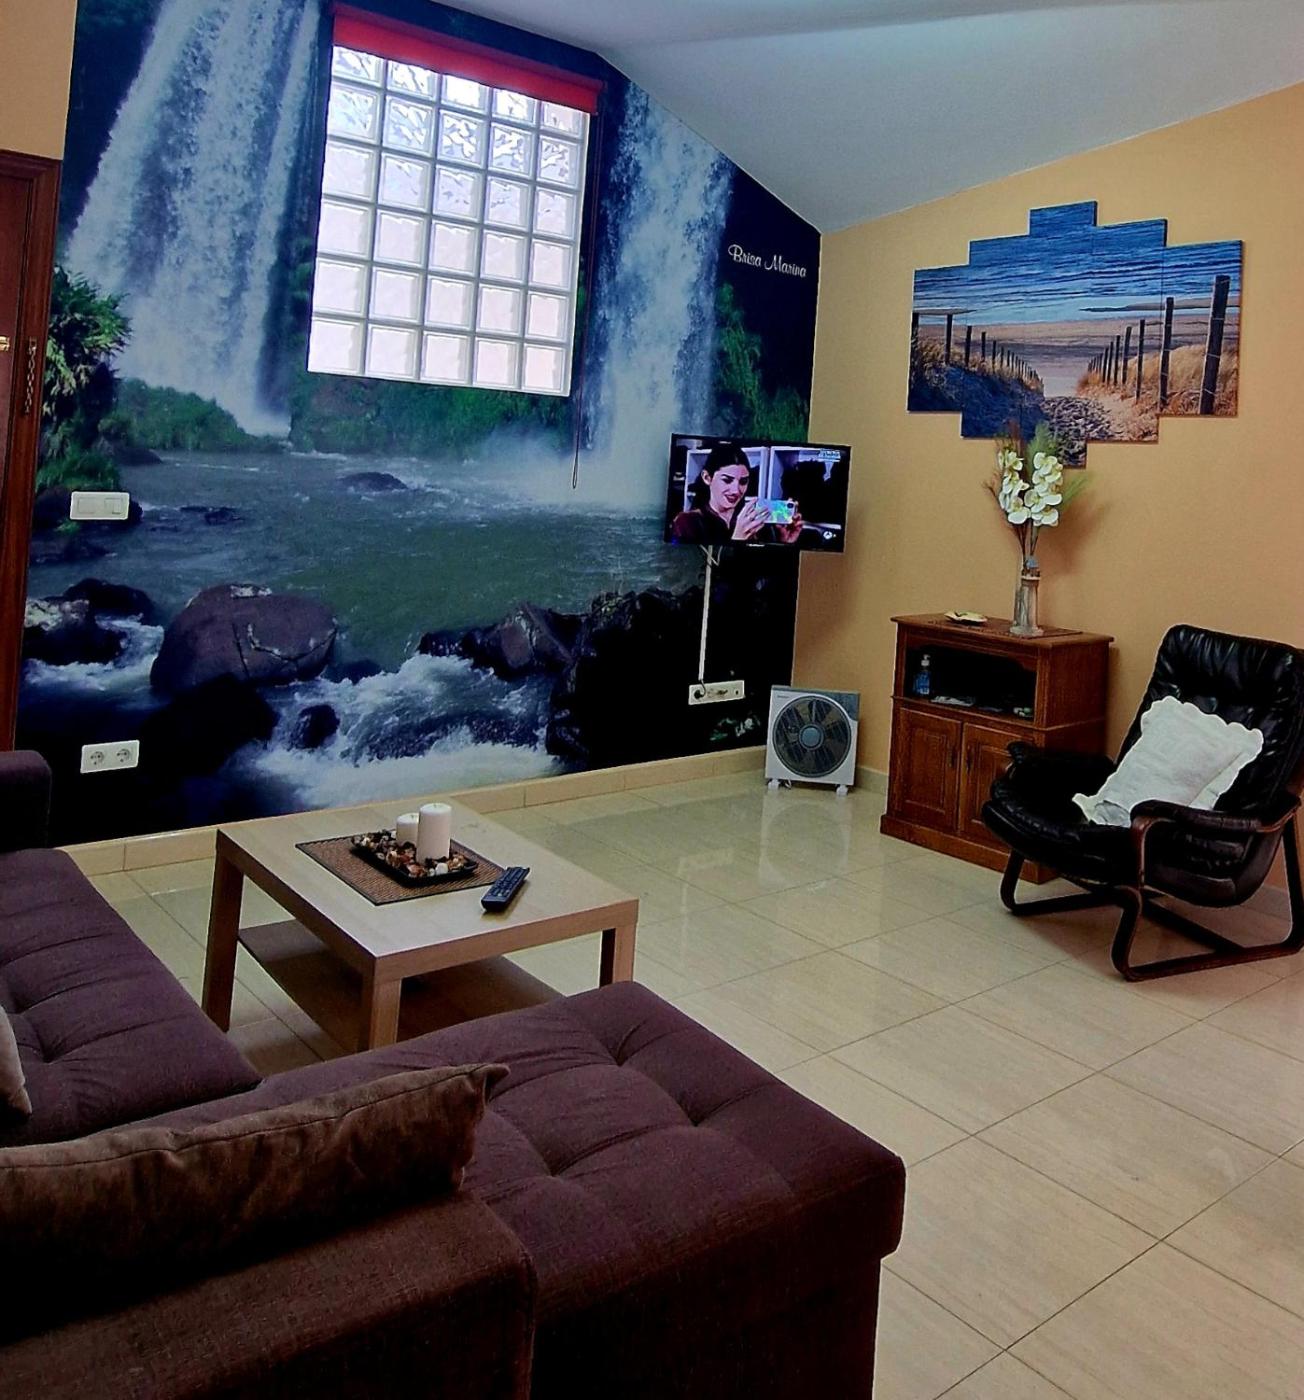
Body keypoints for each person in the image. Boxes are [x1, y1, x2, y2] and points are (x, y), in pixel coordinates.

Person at [670, 443, 803, 545]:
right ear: (707, 478)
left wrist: (784, 542)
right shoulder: (686, 523)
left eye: (743, 482)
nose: (736, 490)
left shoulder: (754, 522)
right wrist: (737, 540)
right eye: (727, 480)